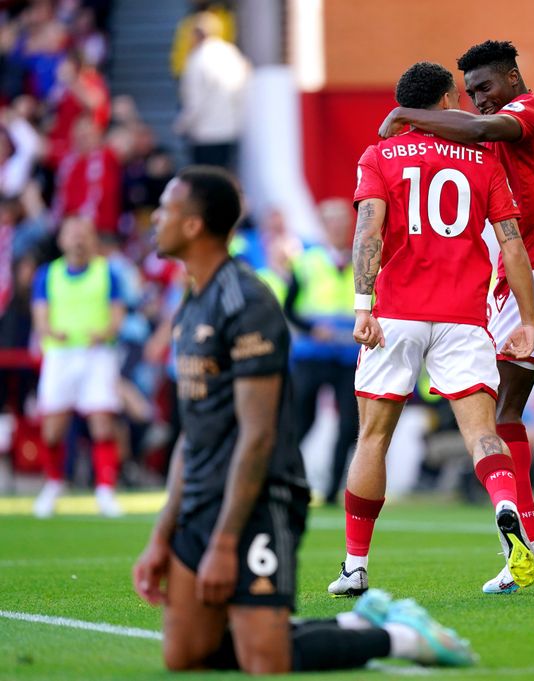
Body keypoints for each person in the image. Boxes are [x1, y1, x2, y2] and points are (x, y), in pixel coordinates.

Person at [132, 166, 475, 673]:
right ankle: (359, 622)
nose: (155, 217)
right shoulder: (191, 305)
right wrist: (163, 534)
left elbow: (258, 433)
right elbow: (193, 434)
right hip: (202, 500)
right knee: (186, 654)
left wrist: (226, 541)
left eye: (167, 207)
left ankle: (398, 637)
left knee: (265, 660)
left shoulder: (246, 303)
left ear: (193, 226)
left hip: (257, 501)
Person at [379, 40, 534, 597]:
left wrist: (407, 115)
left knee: (502, 412)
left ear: (513, 78)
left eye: (485, 88)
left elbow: (478, 133)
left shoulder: (528, 112)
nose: (478, 102)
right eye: (470, 93)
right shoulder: (520, 121)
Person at [328, 61, 534, 598]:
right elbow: (512, 243)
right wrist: (529, 318)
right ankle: (507, 509)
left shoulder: (378, 156)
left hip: (395, 314)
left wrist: (362, 305)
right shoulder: (483, 158)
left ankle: (355, 566)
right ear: (446, 98)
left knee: (372, 437)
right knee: (481, 434)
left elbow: (368, 228)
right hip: (463, 317)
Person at [31, 215, 125, 518]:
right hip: (60, 356)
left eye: (84, 233)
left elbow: (117, 315)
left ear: (93, 238)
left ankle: (105, 489)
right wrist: (50, 331)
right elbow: (40, 316)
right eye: (72, 233)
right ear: (61, 240)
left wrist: (105, 332)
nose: (78, 239)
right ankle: (54, 483)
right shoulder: (48, 274)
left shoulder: (107, 272)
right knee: (52, 430)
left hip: (96, 355)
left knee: (102, 421)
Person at [283, 199, 359, 505]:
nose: (340, 228)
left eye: (344, 223)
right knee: (302, 420)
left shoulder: (363, 259)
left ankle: (331, 492)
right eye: (334, 223)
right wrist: (313, 330)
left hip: (349, 356)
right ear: (324, 226)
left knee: (349, 426)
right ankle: (284, 479)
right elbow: (289, 308)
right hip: (312, 355)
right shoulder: (306, 261)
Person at [174, 12, 249, 168]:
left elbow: (195, 101)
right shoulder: (231, 53)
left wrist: (183, 124)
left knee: (205, 181)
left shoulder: (197, 59)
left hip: (205, 133)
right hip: (229, 130)